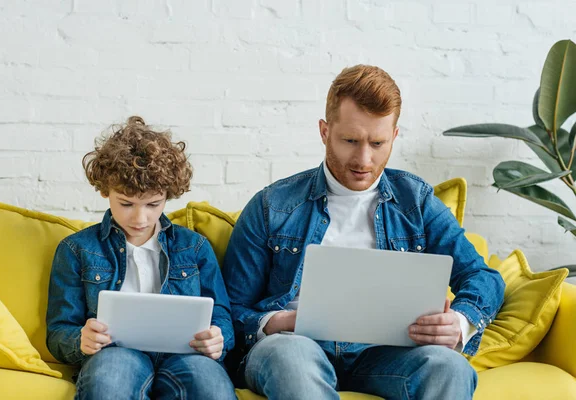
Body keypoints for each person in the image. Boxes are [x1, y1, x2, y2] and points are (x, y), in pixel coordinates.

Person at [222, 65, 506, 400]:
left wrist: (460, 322)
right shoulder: (273, 205)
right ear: (325, 131)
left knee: (450, 367)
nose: (364, 159)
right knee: (290, 357)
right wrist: (281, 322)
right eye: (351, 141)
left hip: (384, 355)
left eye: (377, 142)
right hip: (294, 348)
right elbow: (232, 310)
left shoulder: (416, 201)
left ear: (394, 137)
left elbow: (482, 276)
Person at [46, 116, 237, 400]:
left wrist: (219, 338)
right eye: (126, 204)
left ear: (167, 196)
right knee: (108, 384)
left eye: (153, 204)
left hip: (185, 355)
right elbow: (59, 331)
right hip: (116, 353)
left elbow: (221, 315)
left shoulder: (194, 247)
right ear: (104, 191)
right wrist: (81, 340)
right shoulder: (76, 249)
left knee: (211, 388)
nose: (140, 217)